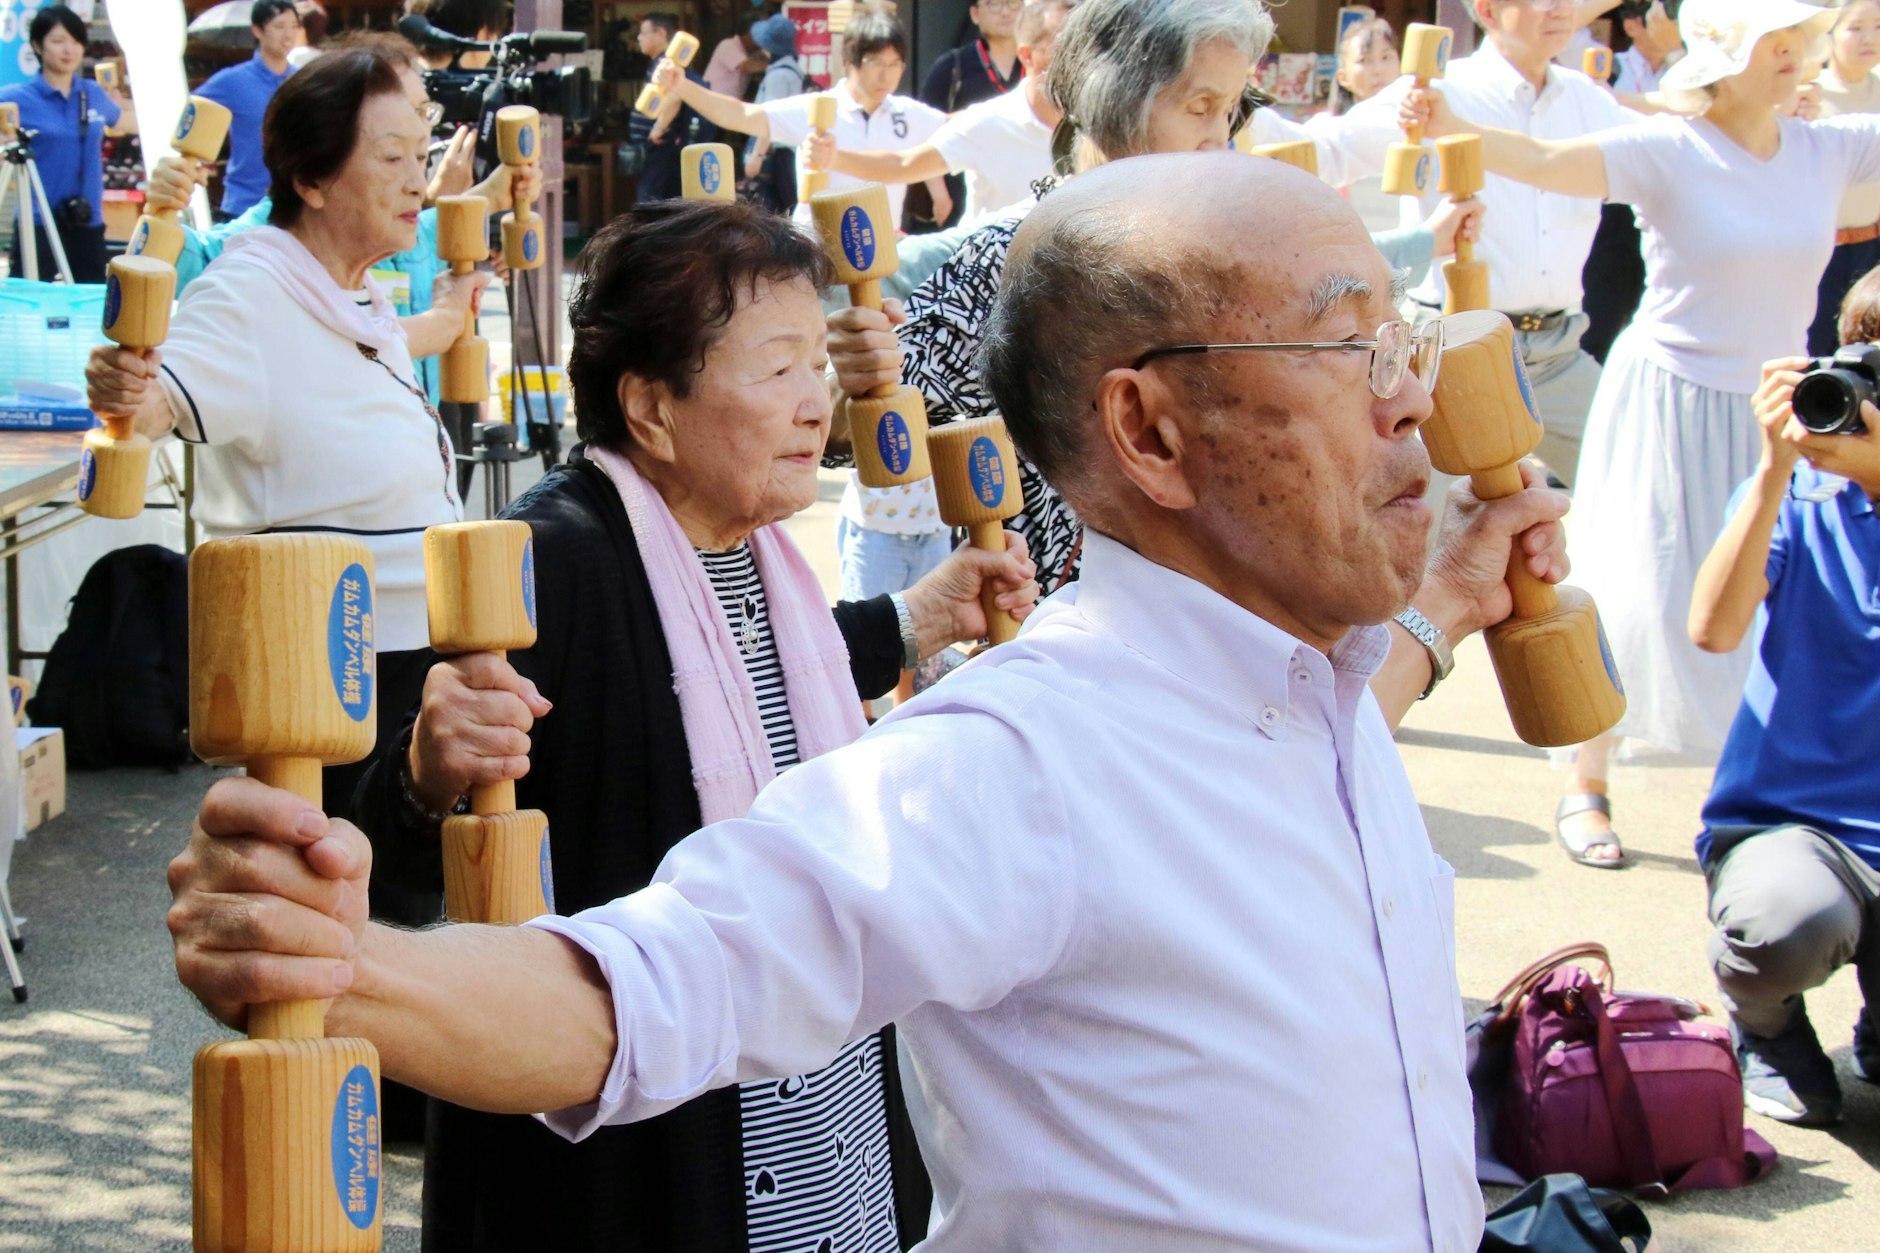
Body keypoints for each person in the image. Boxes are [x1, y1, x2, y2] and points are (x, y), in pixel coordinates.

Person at [167, 150, 1577, 1251]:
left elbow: (1251, 772)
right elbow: (673, 973)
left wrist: (1446, 606)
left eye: (1407, 346)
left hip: (834, 1142)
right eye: (1354, 352)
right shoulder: (1014, 756)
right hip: (675, 1167)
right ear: (1145, 428)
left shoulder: (1295, 697)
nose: (1411, 402)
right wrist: (347, 958)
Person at [343, 200, 1038, 1250]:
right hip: (647, 1142)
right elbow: (389, 843)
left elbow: (763, 683)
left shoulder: (753, 550)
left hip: (827, 1105)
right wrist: (426, 766)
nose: (818, 403)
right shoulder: (552, 559)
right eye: (776, 370)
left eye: (818, 364)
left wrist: (917, 614)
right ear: (651, 407)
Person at [1403, 0, 1880, 867]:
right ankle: (1587, 780)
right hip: (1671, 399)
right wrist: (1448, 122)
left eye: (1800, 43)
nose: (1794, 56)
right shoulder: (1669, 151)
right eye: (1777, 42)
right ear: (1727, 56)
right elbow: (1543, 161)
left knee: (1775, 602)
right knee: (1638, 591)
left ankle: (1770, 801)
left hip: (1775, 408)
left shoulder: (1830, 146)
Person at [831, 0, 1482, 602]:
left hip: (1244, 629)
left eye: (1229, 111)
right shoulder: (1018, 262)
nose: (1218, 138)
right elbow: (864, 432)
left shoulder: (1236, 250)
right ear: (1119, 101)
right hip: (1069, 642)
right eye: (1199, 107)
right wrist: (859, 380)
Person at [83, 44, 485, 822]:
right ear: (311, 180)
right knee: (351, 898)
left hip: (410, 644)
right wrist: (129, 389)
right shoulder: (250, 289)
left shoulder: (346, 287)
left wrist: (452, 305)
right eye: (392, 157)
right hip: (329, 664)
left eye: (422, 155)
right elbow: (161, 395)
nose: (417, 179)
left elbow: (400, 338)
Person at [1685, 270, 1880, 1126]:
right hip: (1797, 831)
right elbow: (1714, 630)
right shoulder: (1796, 499)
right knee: (1781, 924)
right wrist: (1768, 472)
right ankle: (1765, 1028)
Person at [1334, 0, 1646, 490]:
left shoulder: (1588, 101)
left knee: (1643, 486)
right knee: (1424, 519)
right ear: (1488, 9)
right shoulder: (1434, 92)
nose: (1562, 9)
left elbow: (1666, 162)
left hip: (1560, 350)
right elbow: (1329, 148)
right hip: (1451, 348)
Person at [142, 32, 536, 409]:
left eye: (423, 113)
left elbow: (437, 226)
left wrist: (499, 189)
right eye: (392, 152)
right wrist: (161, 208)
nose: (421, 127)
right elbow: (187, 261)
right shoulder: (268, 247)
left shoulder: (403, 228)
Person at [652, 11, 951, 230]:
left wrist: (939, 193)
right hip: (817, 253)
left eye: (894, 64)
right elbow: (741, 115)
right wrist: (683, 86)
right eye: (876, 63)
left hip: (883, 254)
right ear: (850, 62)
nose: (886, 75)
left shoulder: (908, 114)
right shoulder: (816, 108)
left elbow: (958, 131)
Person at [803, 0, 1070, 230]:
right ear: (1027, 54)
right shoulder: (988, 119)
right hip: (993, 278)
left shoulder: (1092, 127)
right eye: (1063, 43)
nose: (1078, 54)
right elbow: (904, 164)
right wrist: (833, 157)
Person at [1580, 0, 1685, 364]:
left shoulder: (1687, 68)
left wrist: (1677, 50)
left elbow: (1699, 106)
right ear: (1631, 26)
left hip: (1675, 203)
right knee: (1602, 312)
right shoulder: (1609, 65)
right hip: (1615, 208)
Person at [0, 5, 136, 283]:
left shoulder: (94, 94)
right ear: (38, 46)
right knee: (31, 305)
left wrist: (124, 104)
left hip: (88, 219)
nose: (69, 50)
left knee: (90, 303)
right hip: (36, 221)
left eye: (75, 42)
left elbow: (125, 124)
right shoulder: (16, 98)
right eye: (58, 41)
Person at [912, 0, 1025, 231]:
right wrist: (939, 193)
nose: (1004, 12)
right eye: (993, 4)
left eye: (1012, 3)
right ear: (975, 14)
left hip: (1022, 198)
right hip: (959, 201)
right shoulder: (952, 67)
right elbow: (923, 128)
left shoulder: (1035, 66)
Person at [1809, 0, 1880, 356]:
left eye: (1879, 27)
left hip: (1873, 248)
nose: (1869, 38)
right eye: (1855, 27)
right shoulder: (1806, 95)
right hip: (1820, 251)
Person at [197, 0, 303, 221]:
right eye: (279, 26)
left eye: (294, 26)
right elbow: (191, 110)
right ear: (257, 30)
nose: (288, 35)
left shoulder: (303, 79)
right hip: (243, 206)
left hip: (293, 207)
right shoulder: (232, 80)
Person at [630, 12, 713, 204]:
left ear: (660, 33)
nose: (639, 38)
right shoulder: (663, 63)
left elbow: (675, 94)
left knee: (652, 205)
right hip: (659, 149)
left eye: (643, 33)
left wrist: (658, 128)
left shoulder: (666, 65)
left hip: (663, 147)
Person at [743, 13, 806, 214]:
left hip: (778, 155)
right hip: (787, 152)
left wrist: (757, 155)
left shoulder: (778, 76)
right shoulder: (793, 71)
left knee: (777, 213)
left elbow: (770, 119)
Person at [1331, 16, 1400, 112]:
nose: (1378, 70)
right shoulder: (1332, 125)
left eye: (1386, 57)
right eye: (1364, 60)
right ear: (1343, 78)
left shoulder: (1419, 123)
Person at [701, 16, 767, 100]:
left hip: (730, 103)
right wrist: (775, 66)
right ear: (750, 34)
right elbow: (748, 66)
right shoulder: (728, 45)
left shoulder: (754, 52)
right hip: (713, 100)